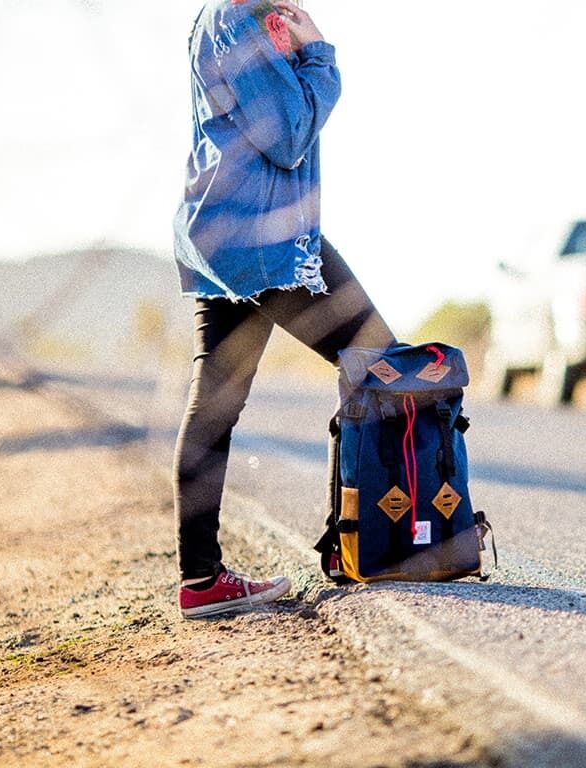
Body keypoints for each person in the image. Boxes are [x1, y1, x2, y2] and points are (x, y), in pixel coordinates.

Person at [171, 0, 395, 619]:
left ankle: (201, 579)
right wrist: (321, 58)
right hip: (263, 237)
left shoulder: (235, 15)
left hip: (227, 231)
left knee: (214, 403)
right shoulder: (240, 16)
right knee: (381, 361)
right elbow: (288, 137)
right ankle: (355, 544)